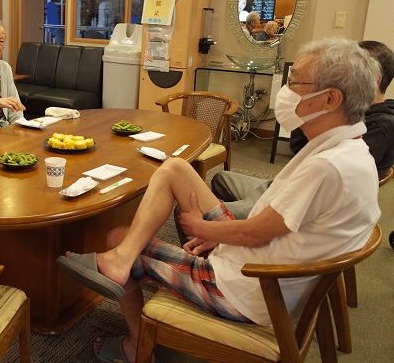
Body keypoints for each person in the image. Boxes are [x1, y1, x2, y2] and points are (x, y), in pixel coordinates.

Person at [57, 38, 381, 363]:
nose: (287, 90)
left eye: (296, 82)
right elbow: (268, 229)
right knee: (176, 169)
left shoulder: (327, 167)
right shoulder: (349, 150)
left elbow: (255, 234)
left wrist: (202, 228)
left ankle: (134, 343)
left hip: (249, 287)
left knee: (118, 236)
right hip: (260, 263)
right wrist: (220, 235)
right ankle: (122, 260)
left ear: (330, 98)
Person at [212, 40, 394, 219]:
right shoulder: (343, 124)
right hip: (285, 188)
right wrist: (304, 118)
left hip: (293, 200)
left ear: (373, 79)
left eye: (296, 83)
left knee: (202, 211)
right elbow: (299, 150)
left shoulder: (340, 156)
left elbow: (269, 223)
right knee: (221, 179)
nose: (289, 90)